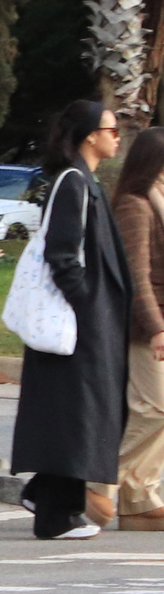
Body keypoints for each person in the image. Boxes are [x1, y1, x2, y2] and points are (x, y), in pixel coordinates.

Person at [11, 101, 127, 539]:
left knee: (78, 412)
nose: (117, 137)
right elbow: (63, 255)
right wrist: (88, 305)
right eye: (111, 130)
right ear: (88, 135)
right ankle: (54, 514)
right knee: (72, 412)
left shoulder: (84, 181)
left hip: (86, 320)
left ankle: (51, 498)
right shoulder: (73, 183)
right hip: (75, 321)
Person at [113, 127, 164, 529]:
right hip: (147, 326)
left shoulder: (159, 201)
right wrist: (155, 327)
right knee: (155, 407)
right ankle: (94, 478)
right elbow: (137, 276)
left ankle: (138, 497)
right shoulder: (135, 205)